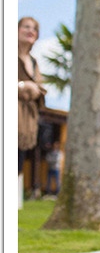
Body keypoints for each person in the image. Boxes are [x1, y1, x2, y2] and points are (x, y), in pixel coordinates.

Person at [18, 17, 46, 178]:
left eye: (34, 28)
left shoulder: (34, 62)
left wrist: (36, 90)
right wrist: (22, 86)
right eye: (26, 27)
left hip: (25, 122)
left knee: (18, 165)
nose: (30, 31)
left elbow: (40, 87)